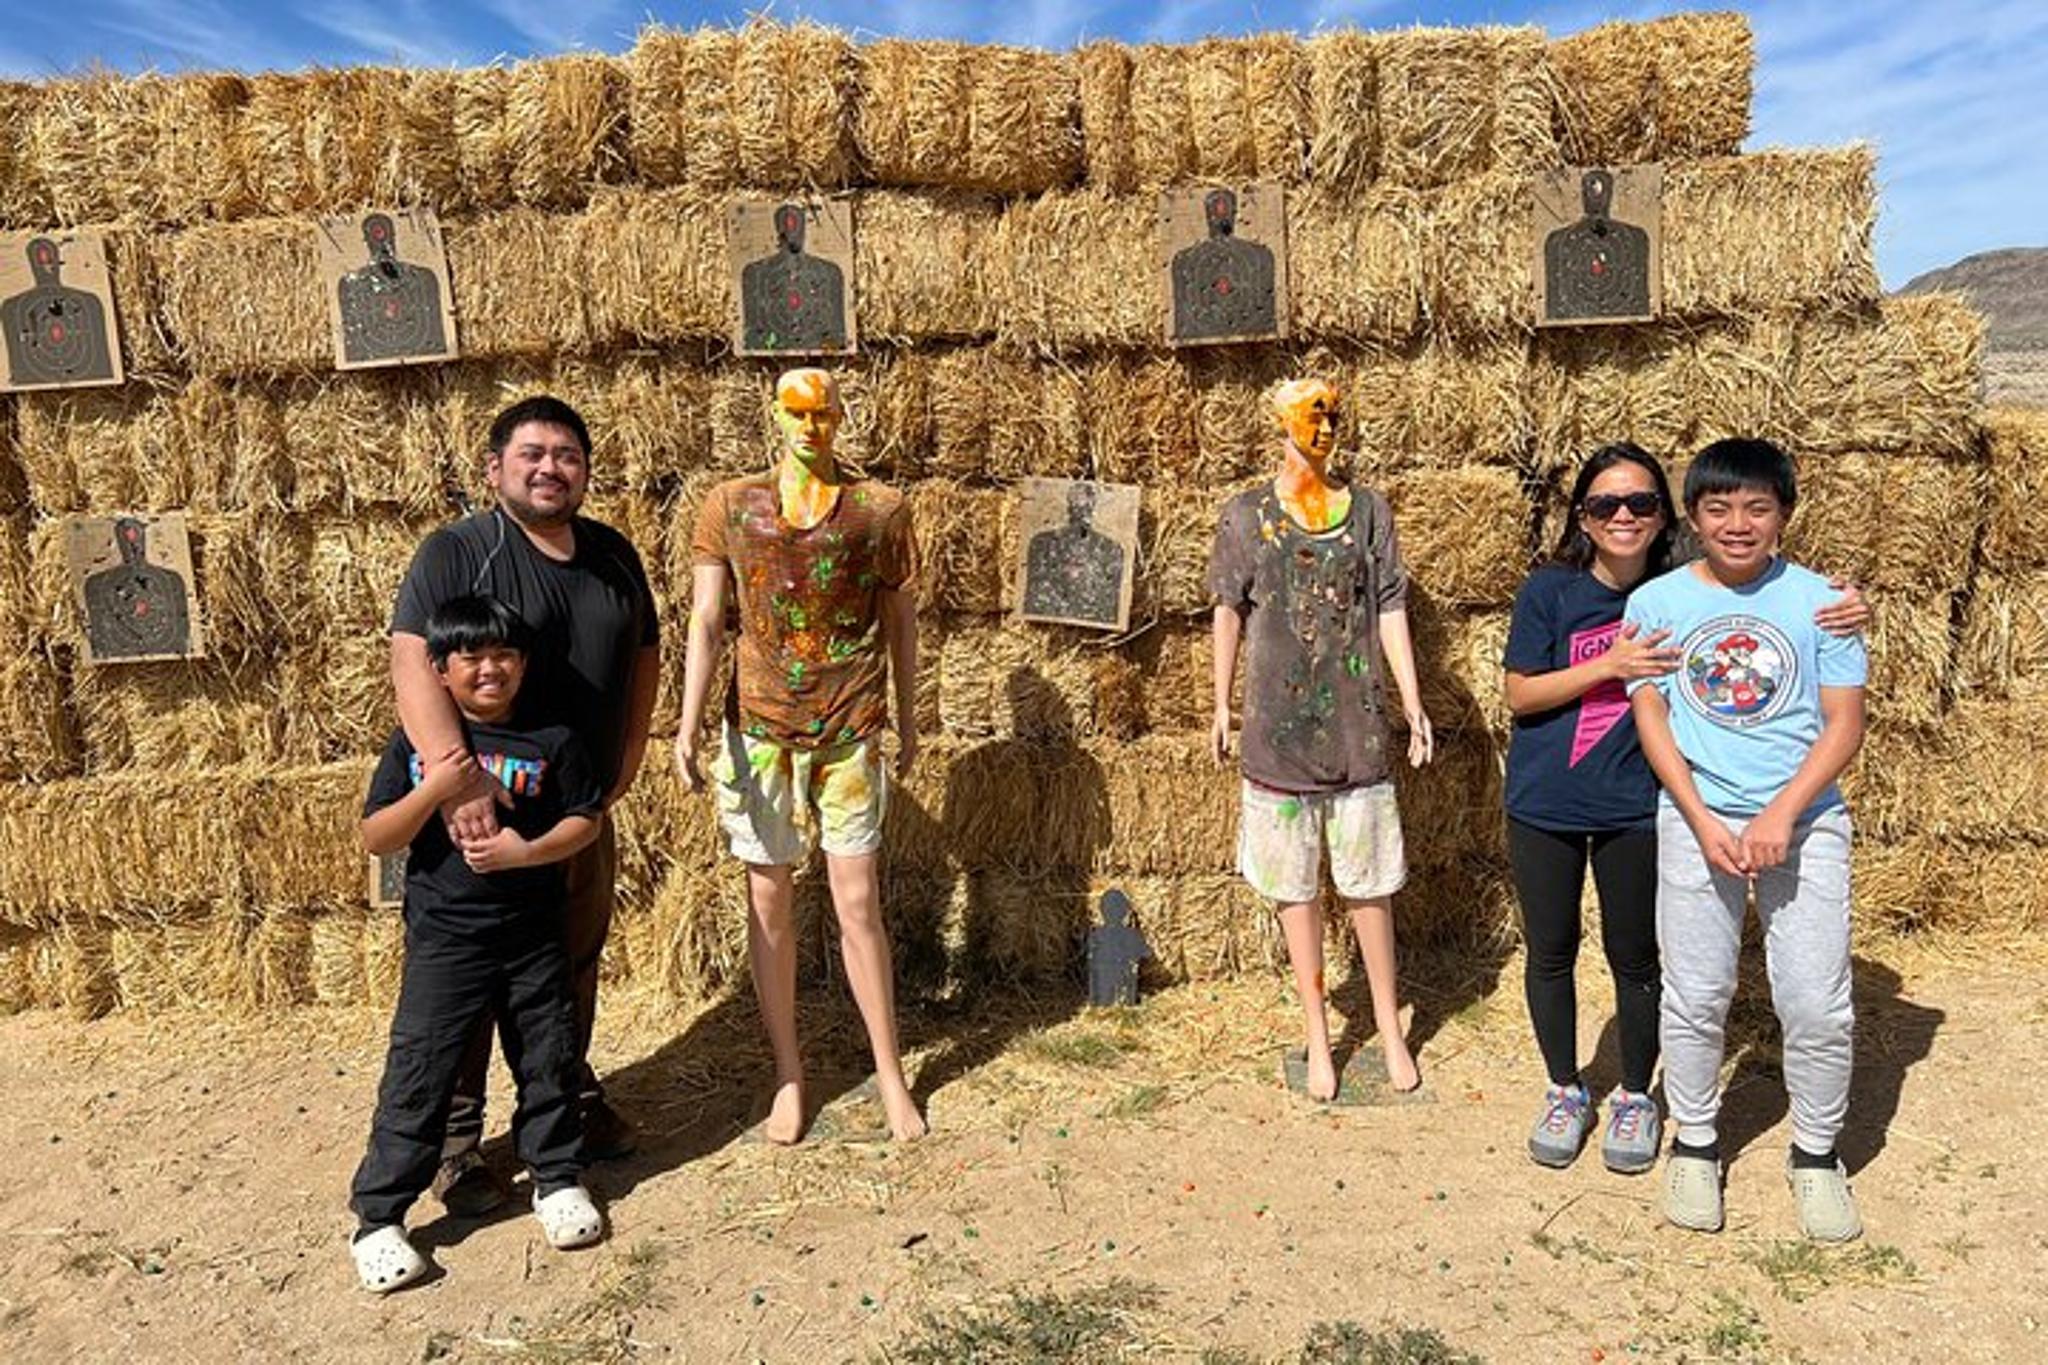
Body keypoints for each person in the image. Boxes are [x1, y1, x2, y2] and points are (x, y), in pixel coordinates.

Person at [1504, 445, 1869, 1175]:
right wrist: (1609, 664)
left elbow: (1815, 663)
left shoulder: (1686, 593)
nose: (1624, 516)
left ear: (1666, 516)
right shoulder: (1568, 592)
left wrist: (1858, 603)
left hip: (1639, 805)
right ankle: (1566, 1087)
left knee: (1640, 957)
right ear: (1583, 516)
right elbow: (1520, 694)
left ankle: (1640, 1094)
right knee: (1555, 949)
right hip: (1553, 801)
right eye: (1606, 505)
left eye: (1641, 503)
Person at [389, 395, 659, 1213]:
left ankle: (565, 1099)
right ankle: (457, 1143)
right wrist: (456, 780)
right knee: (469, 976)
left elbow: (644, 656)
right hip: (480, 809)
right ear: (495, 467)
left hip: (573, 805)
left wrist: (625, 766)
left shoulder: (613, 555)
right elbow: (411, 661)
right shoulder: (457, 552)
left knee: (568, 967)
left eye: (568, 454)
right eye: (533, 453)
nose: (551, 468)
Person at [1625, 438, 1869, 1242]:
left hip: (1807, 820)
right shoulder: (1657, 604)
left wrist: (1782, 814)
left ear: (1784, 515)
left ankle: (1816, 1154)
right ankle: (1695, 1141)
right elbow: (1652, 715)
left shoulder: (1822, 601)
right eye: (1720, 507)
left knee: (1816, 1000)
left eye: (1758, 507)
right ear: (1693, 516)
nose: (1739, 524)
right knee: (1696, 994)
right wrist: (1698, 815)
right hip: (1698, 816)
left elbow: (1844, 723)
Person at [674, 367, 926, 1143]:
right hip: (758, 729)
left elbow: (901, 625)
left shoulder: (880, 511)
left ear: (843, 417)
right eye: (798, 413)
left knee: (857, 902)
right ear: (775, 416)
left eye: (824, 413)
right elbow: (708, 619)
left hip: (850, 722)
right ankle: (789, 1070)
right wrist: (685, 723)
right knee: (770, 899)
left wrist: (910, 717)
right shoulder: (730, 505)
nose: (812, 427)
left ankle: (889, 1069)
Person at [350, 595, 606, 1293]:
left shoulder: (553, 738)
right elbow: (377, 836)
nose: (490, 669)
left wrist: (527, 853)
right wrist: (436, 785)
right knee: (422, 1070)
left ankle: (556, 1179)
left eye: (505, 655)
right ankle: (378, 1218)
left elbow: (585, 820)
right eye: (472, 657)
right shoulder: (418, 744)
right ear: (439, 668)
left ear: (523, 664)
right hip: (446, 940)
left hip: (534, 935)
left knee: (548, 1055)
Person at [1208, 377, 1431, 1101]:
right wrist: (1220, 704)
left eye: (1334, 413)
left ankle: (1391, 1029)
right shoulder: (1246, 516)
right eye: (1314, 415)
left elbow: (1390, 605)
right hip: (1277, 730)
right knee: (1296, 889)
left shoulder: (1368, 512)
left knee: (1371, 886)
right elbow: (1228, 610)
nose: (1328, 426)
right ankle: (1316, 1029)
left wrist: (1413, 700)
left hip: (1356, 726)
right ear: (1280, 423)